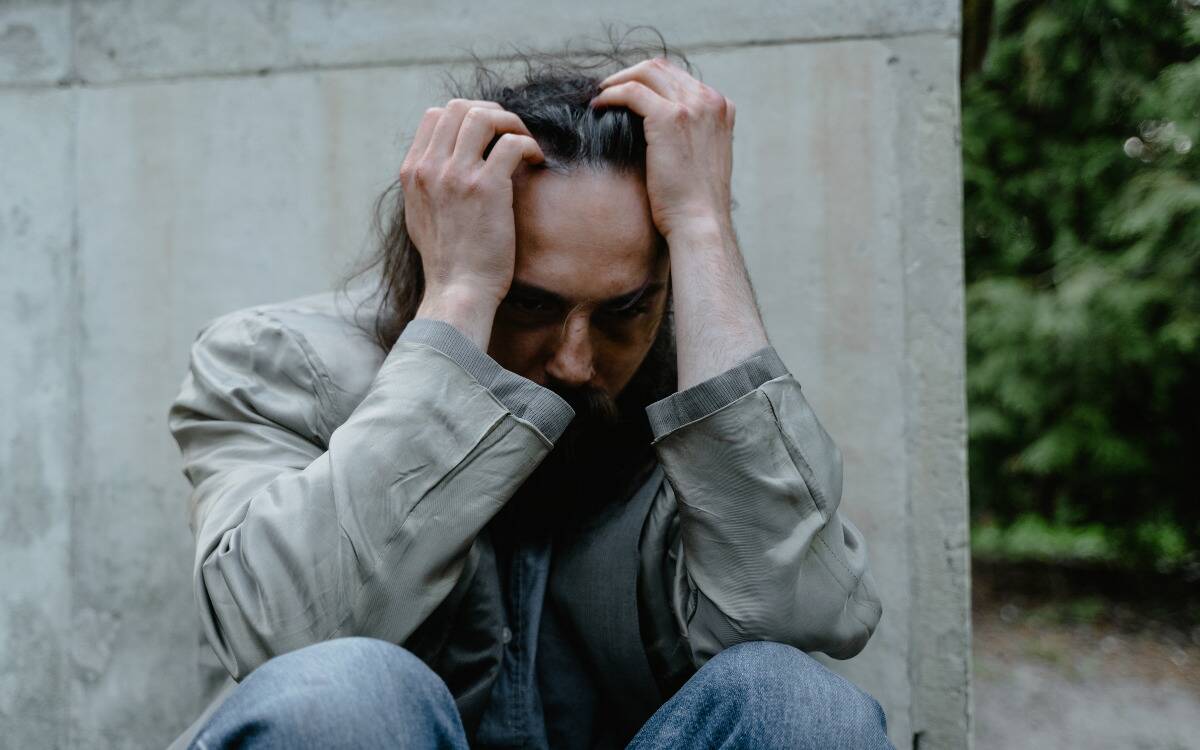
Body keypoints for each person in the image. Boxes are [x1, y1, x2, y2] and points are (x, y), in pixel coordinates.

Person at [166, 35, 889, 750]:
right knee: (345, 693)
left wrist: (704, 229)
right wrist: (460, 294)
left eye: (624, 310)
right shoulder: (275, 364)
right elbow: (282, 632)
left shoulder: (690, 397)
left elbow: (807, 613)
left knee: (800, 704)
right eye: (531, 306)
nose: (577, 363)